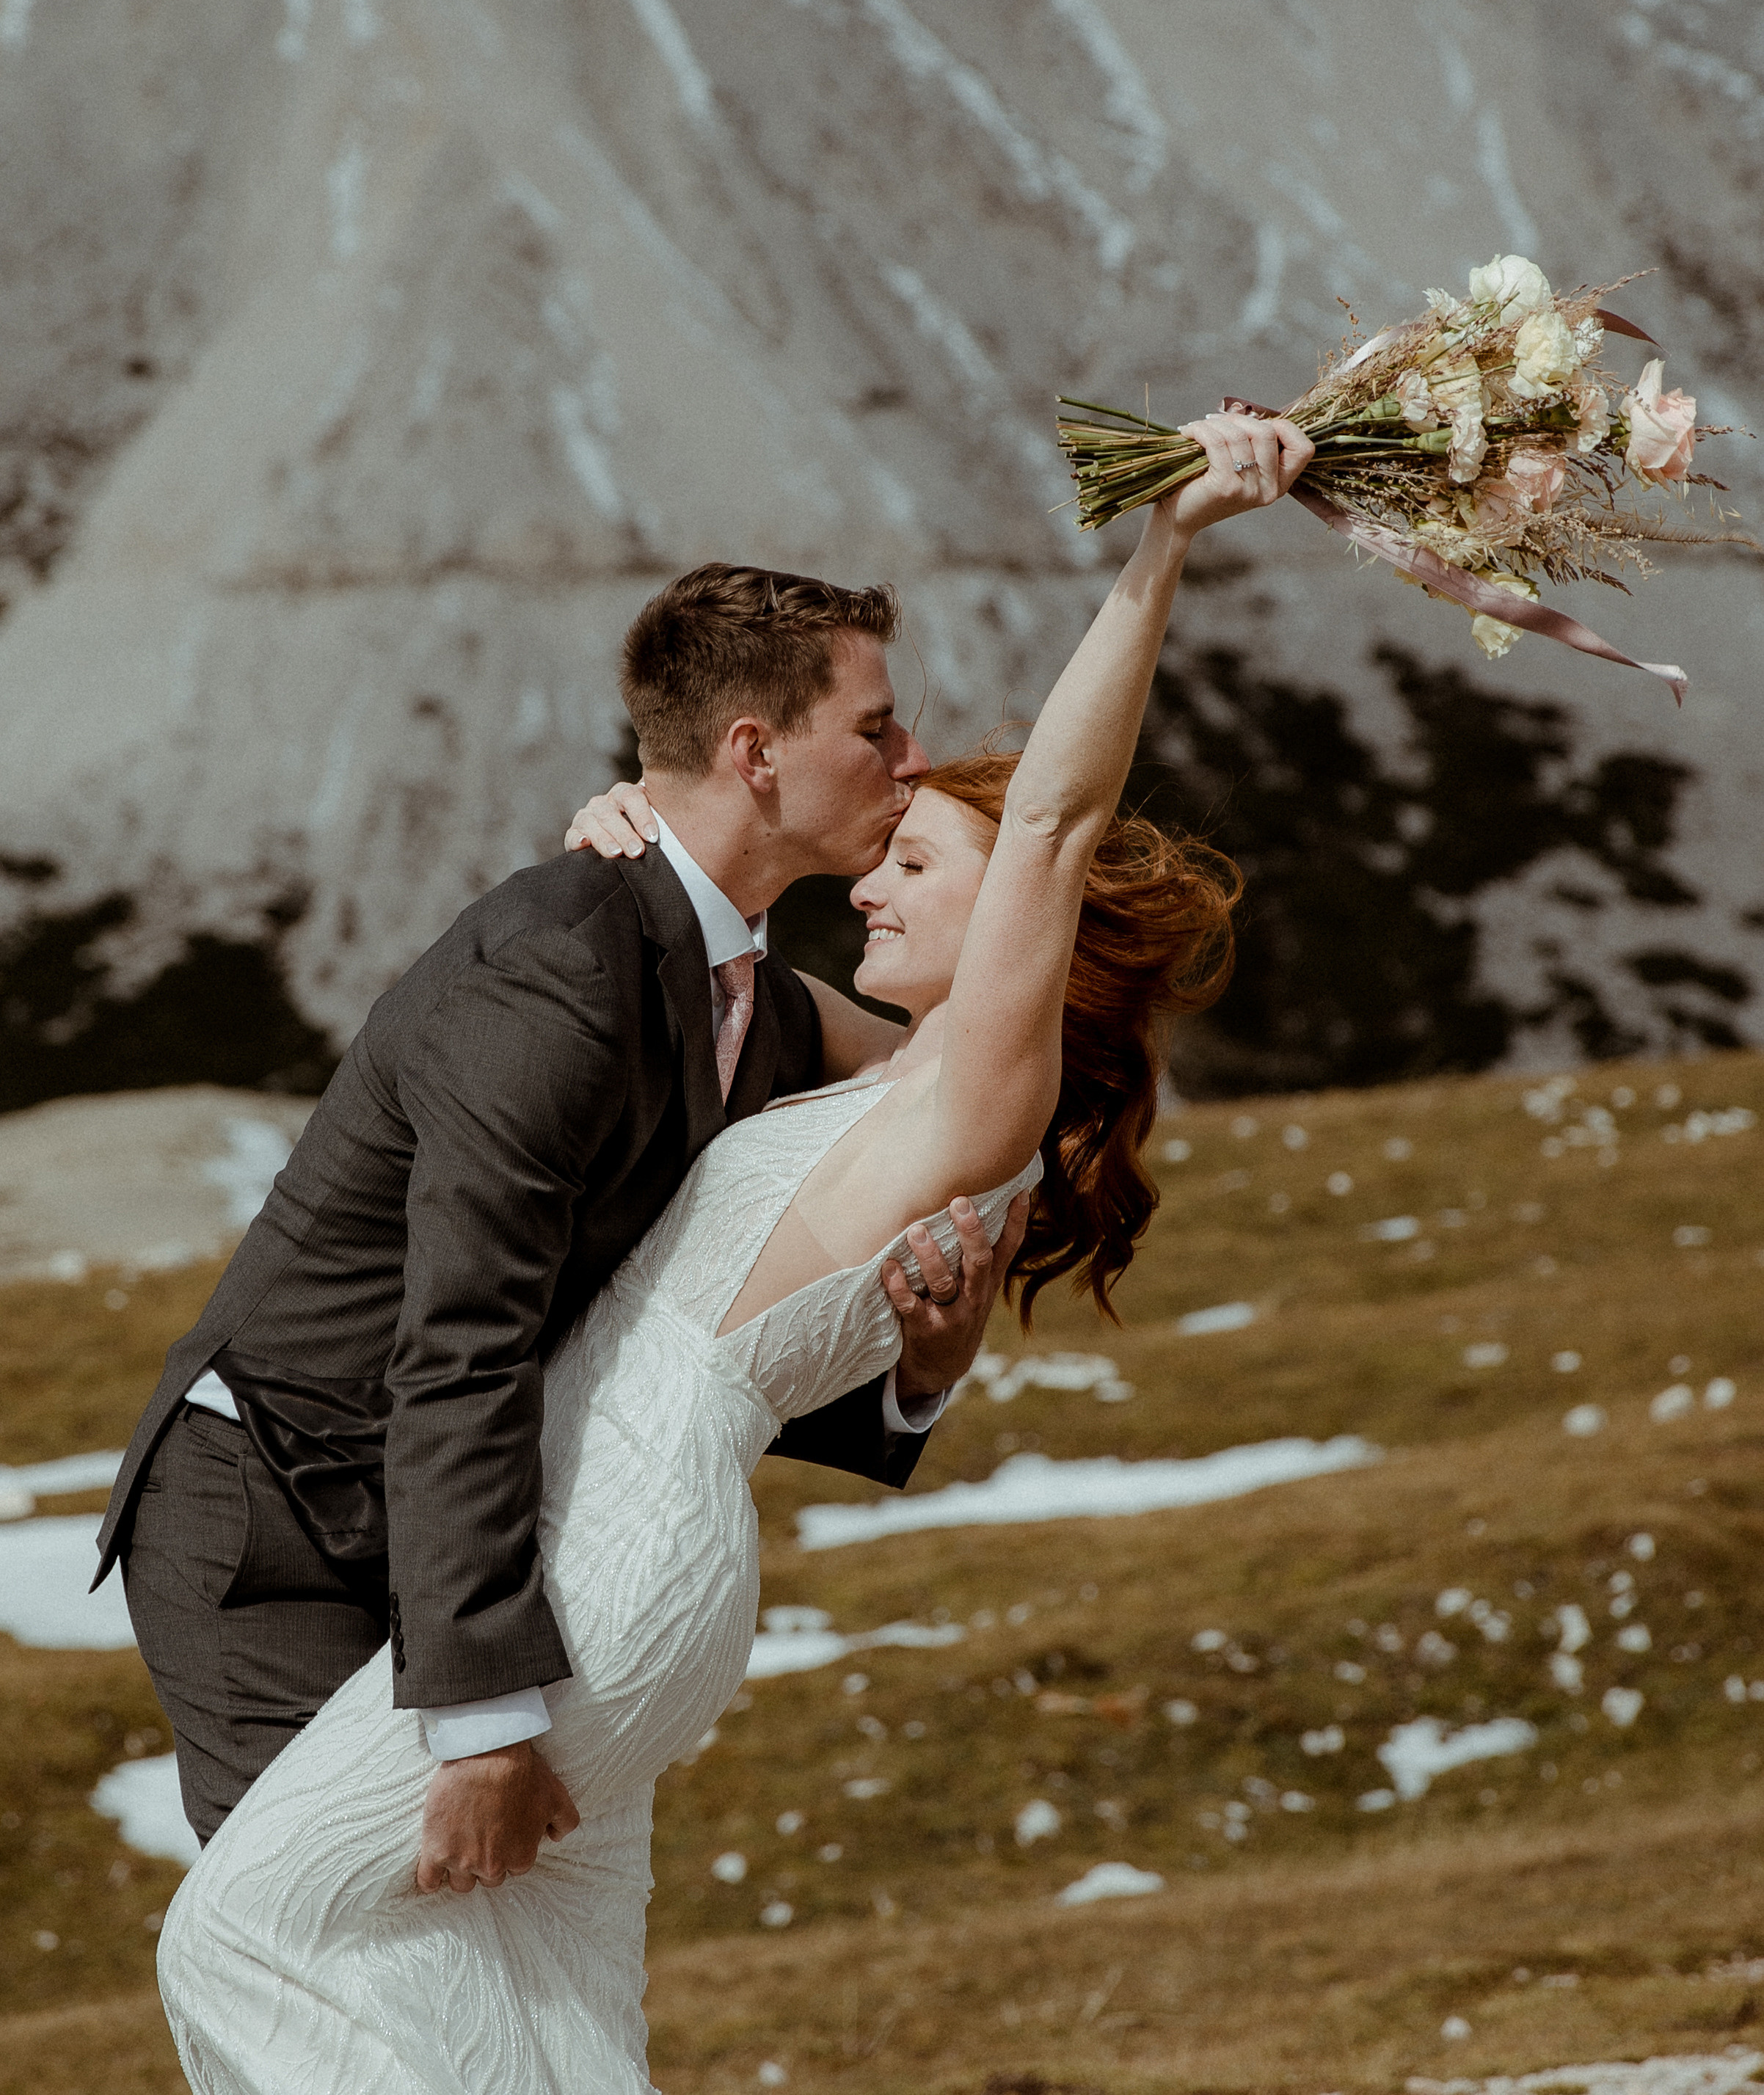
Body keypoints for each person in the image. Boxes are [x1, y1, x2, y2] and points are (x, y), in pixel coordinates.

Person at [153, 407, 1312, 2094]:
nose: (886, 867)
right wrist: (638, 845)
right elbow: (695, 997)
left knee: (243, 1934)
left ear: (1019, 938)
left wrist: (1165, 539)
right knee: (539, 1999)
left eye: (923, 863)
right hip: (601, 1536)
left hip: (612, 1552)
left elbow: (1052, 819)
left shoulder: (984, 1082)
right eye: (888, 812)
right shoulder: (874, 1064)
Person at [100, 565, 1022, 1890]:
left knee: (464, 1971)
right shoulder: (561, 963)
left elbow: (693, 1306)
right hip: (277, 1516)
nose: (909, 753)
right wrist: (483, 1724)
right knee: (317, 1948)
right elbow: (463, 1337)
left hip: (449, 1512)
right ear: (753, 754)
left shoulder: (756, 995)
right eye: (875, 727)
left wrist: (918, 1376)